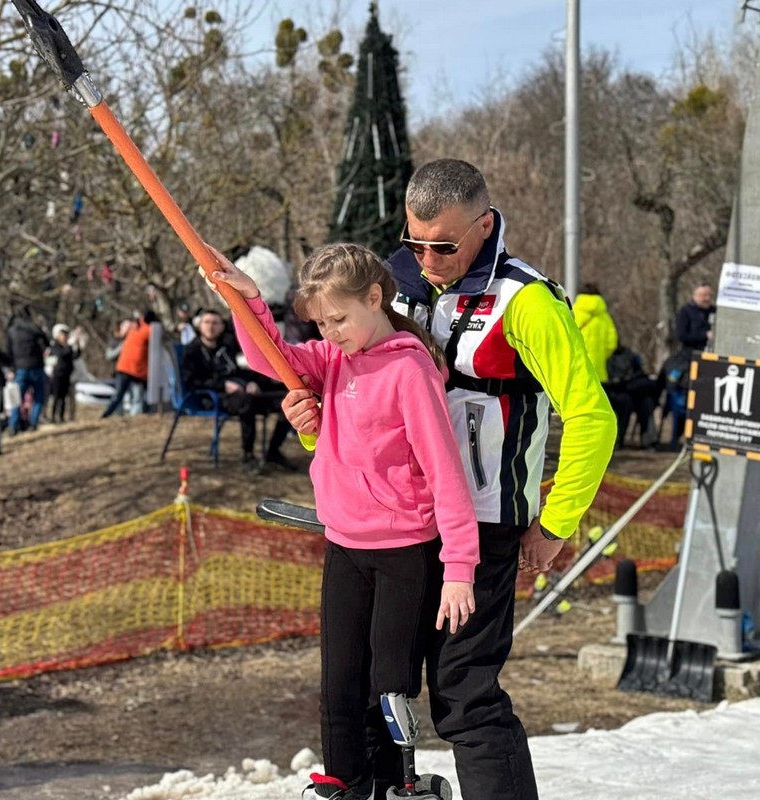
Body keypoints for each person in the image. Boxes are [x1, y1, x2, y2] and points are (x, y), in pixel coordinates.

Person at [282, 159, 616, 800]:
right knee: (380, 681)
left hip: (484, 523)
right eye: (415, 242)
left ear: (484, 226)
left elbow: (592, 420)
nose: (427, 258)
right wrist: (311, 423)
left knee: (463, 693)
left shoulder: (526, 301)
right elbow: (351, 396)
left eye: (444, 245)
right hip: (401, 523)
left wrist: (554, 523)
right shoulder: (389, 283)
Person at [206, 242, 479, 800]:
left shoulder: (408, 368)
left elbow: (446, 473)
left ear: (374, 298)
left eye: (339, 318)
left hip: (404, 551)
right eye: (322, 322)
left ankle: (396, 781)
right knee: (338, 682)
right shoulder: (332, 360)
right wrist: (246, 298)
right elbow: (267, 357)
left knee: (388, 683)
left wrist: (459, 568)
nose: (330, 332)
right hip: (345, 545)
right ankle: (345, 784)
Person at [181, 309, 295, 471]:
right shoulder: (192, 351)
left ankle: (273, 451)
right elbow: (192, 381)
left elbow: (245, 367)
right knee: (246, 403)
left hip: (242, 392)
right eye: (207, 322)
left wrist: (252, 382)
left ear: (222, 326)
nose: (211, 327)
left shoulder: (229, 346)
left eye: (215, 323)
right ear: (199, 325)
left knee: (287, 400)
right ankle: (248, 455)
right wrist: (223, 385)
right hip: (214, 397)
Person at [5, 305, 49, 432]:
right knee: (39, 397)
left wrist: (11, 368)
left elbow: (8, 351)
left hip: (20, 369)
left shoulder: (11, 331)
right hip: (36, 366)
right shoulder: (34, 328)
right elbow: (46, 343)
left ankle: (13, 425)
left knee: (16, 399)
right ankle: (33, 423)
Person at [101, 313, 152, 418]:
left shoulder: (134, 333)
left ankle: (109, 415)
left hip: (130, 369)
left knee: (129, 395)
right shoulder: (144, 331)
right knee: (124, 395)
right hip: (133, 370)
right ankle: (112, 414)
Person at [572, 282, 618, 383]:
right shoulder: (605, 317)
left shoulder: (573, 313)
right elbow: (611, 344)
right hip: (599, 371)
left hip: (577, 370)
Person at [47, 324, 80, 423]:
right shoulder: (55, 346)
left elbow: (75, 356)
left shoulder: (68, 347)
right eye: (62, 335)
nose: (64, 337)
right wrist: (70, 347)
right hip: (57, 375)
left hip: (67, 374)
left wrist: (77, 346)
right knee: (56, 397)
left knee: (64, 398)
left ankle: (61, 417)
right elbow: (61, 354)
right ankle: (53, 416)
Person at [675, 283, 715, 351]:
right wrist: (704, 335)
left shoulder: (714, 311)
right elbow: (682, 336)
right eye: (704, 295)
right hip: (691, 353)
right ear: (695, 296)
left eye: (710, 295)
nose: (707, 298)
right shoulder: (686, 311)